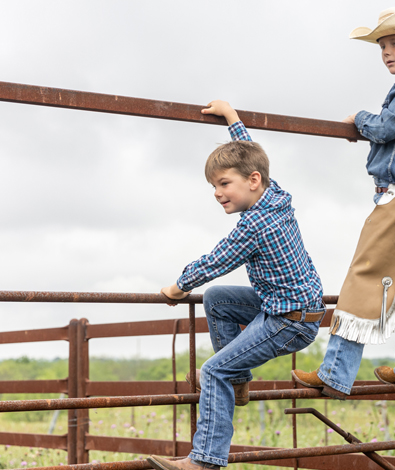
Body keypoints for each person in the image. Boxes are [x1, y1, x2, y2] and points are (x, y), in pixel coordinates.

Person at [292, 7, 395, 400]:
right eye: (382, 45)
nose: (386, 51)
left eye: (394, 43)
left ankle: (336, 372)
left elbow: (389, 126)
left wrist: (361, 120)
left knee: (365, 276)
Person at [148, 100, 325, 470]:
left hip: (288, 322)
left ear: (252, 182)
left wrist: (177, 288)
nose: (217, 192)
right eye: (214, 185)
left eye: (224, 183)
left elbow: (215, 261)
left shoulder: (253, 226)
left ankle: (205, 460)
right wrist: (232, 119)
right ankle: (239, 380)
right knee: (217, 299)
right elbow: (251, 156)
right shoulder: (275, 195)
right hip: (290, 307)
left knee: (212, 370)